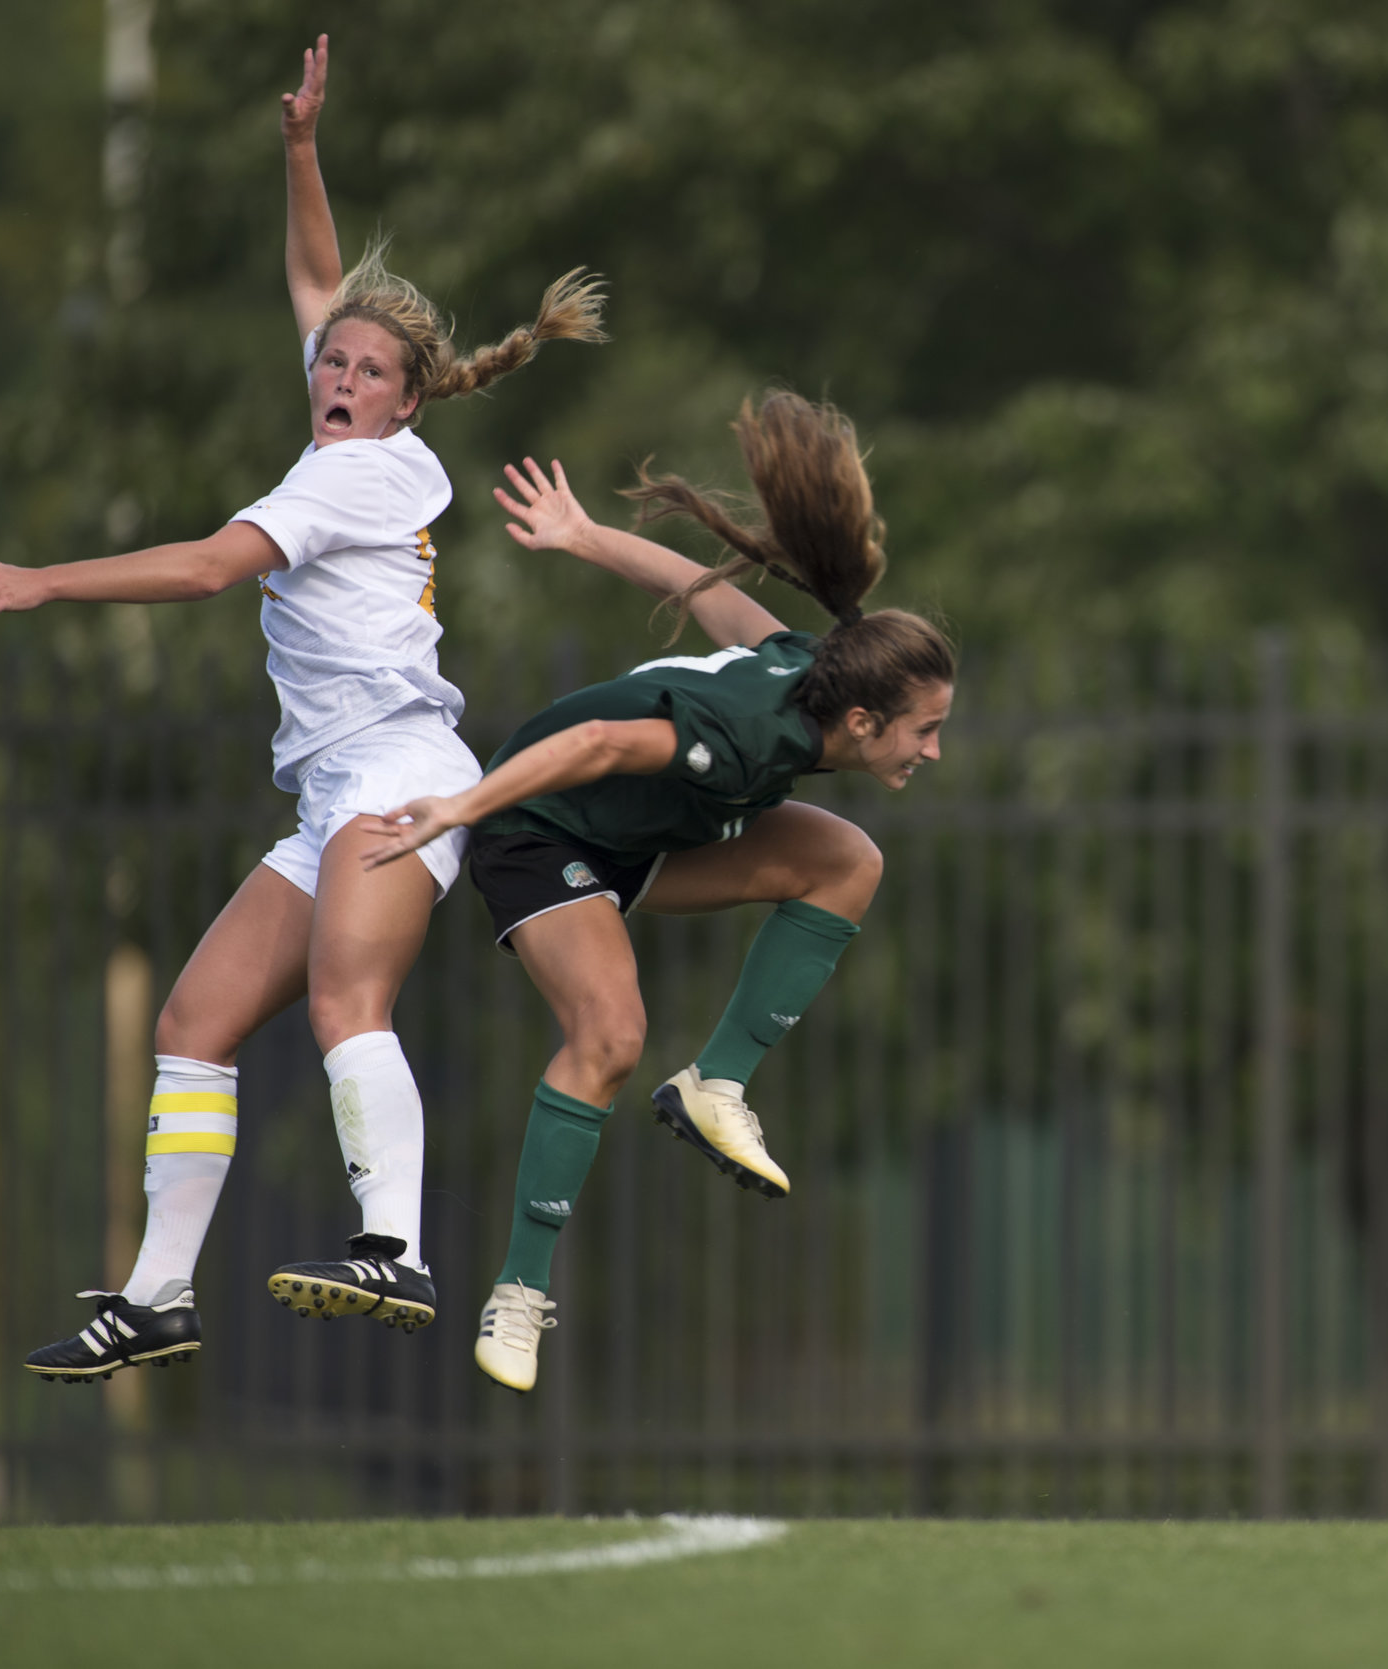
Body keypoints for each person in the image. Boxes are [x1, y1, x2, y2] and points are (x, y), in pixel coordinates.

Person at [0, 37, 606, 1382]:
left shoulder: (350, 481)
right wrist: (301, 148)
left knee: (345, 998)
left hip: (402, 775)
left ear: (409, 400)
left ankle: (397, 1249)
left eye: (366, 369)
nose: (340, 373)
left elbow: (200, 569)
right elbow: (320, 280)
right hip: (331, 793)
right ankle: (158, 1296)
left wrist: (46, 581)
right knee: (194, 1022)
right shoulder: (343, 436)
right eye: (331, 364)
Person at [359, 393, 953, 1392]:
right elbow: (593, 745)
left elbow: (698, 585)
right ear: (860, 722)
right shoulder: (751, 735)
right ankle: (517, 1289)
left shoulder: (811, 674)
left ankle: (715, 1083)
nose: (934, 749)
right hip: (539, 834)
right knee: (611, 1036)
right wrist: (462, 806)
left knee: (848, 859)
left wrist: (585, 535)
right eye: (923, 730)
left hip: (644, 838)